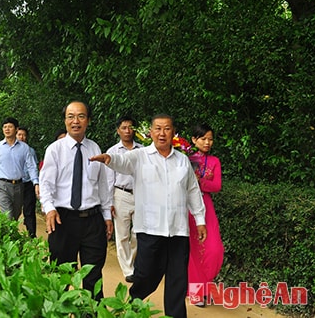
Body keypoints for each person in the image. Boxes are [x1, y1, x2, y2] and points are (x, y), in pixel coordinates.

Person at [90, 114, 206, 318]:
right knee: (145, 276)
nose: (162, 133)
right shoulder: (140, 156)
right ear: (150, 132)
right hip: (150, 229)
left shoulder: (182, 161)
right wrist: (109, 159)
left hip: (178, 230)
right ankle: (133, 307)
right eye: (158, 129)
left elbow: (192, 191)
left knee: (177, 279)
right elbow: (122, 161)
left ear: (173, 132)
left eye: (167, 129)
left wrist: (200, 220)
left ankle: (176, 315)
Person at [40, 101, 113, 301]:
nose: (75, 121)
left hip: (92, 221)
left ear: (88, 121)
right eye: (70, 116)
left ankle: (91, 313)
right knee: (62, 276)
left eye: (81, 116)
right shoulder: (55, 150)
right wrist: (49, 209)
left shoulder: (95, 148)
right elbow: (45, 184)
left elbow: (103, 185)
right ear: (65, 121)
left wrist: (106, 215)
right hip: (63, 221)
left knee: (93, 276)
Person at [187, 124, 224, 307]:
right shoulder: (184, 157)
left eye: (210, 139)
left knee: (214, 249)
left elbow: (217, 186)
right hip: (187, 208)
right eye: (203, 139)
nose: (207, 142)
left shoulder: (215, 161)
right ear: (194, 140)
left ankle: (205, 287)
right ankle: (196, 293)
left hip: (206, 206)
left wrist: (198, 182)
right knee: (193, 251)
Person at [105, 115, 143, 283]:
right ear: (118, 130)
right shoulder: (112, 152)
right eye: (124, 128)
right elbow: (107, 179)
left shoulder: (142, 150)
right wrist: (109, 203)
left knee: (138, 233)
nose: (128, 131)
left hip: (141, 195)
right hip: (120, 194)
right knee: (122, 234)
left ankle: (133, 263)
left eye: (130, 127)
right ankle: (128, 270)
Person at [0, 117, 39, 220]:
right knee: (8, 215)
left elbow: (31, 165)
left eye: (10, 127)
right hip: (2, 185)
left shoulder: (24, 148)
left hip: (18, 185)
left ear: (16, 129)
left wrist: (35, 182)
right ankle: (9, 234)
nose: (7, 129)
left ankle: (9, 233)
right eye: (5, 127)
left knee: (16, 214)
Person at [17, 126, 39, 238]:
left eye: (24, 135)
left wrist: (36, 183)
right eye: (19, 135)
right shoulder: (11, 150)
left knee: (29, 210)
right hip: (15, 184)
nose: (22, 137)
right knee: (14, 211)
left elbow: (34, 167)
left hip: (28, 183)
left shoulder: (31, 151)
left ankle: (32, 235)